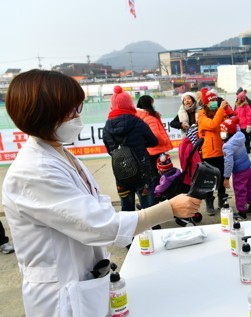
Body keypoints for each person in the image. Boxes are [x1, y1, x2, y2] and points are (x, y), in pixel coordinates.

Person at [2, 69, 201, 316]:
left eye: (78, 108)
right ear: (45, 113)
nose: (77, 116)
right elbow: (100, 226)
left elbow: (97, 203)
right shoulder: (34, 171)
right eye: (71, 110)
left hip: (86, 280)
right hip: (61, 295)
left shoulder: (59, 153)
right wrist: (169, 208)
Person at [103, 86, 159, 215]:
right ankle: (152, 232)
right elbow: (154, 142)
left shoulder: (107, 125)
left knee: (126, 208)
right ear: (129, 104)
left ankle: (129, 234)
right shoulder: (138, 122)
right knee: (148, 208)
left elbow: (109, 150)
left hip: (121, 172)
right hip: (142, 171)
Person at [197, 87, 231, 215]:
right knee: (209, 180)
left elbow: (228, 123)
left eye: (215, 101)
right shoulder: (201, 115)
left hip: (221, 151)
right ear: (205, 103)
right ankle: (209, 203)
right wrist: (221, 109)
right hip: (209, 153)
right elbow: (213, 125)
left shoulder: (219, 112)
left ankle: (222, 201)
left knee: (222, 178)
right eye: (211, 101)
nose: (214, 103)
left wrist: (226, 109)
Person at [220, 117, 251, 218]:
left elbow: (228, 163)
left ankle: (242, 212)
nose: (221, 133)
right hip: (247, 168)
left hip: (239, 171)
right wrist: (233, 120)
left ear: (229, 132)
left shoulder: (228, 146)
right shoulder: (239, 135)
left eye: (223, 131)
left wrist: (226, 177)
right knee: (249, 187)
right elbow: (236, 125)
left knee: (240, 190)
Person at [136, 95, 174, 188]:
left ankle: (154, 195)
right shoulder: (150, 118)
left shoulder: (138, 117)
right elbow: (156, 135)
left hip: (148, 150)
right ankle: (159, 194)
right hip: (156, 150)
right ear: (149, 104)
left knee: (152, 173)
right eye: (153, 103)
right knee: (159, 174)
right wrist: (164, 141)